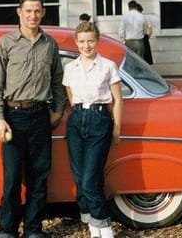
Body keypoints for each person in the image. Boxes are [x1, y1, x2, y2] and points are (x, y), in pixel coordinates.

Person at [0, 0, 66, 238]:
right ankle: (7, 230)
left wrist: (57, 111)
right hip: (13, 117)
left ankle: (33, 229)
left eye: (37, 11)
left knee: (39, 176)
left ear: (43, 13)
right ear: (19, 12)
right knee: (12, 178)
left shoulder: (50, 45)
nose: (33, 15)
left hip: (40, 116)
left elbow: (57, 82)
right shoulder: (5, 43)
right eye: (28, 11)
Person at [63, 21, 123, 238]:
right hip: (77, 120)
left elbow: (117, 99)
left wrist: (116, 128)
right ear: (76, 43)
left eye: (90, 41)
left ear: (97, 41)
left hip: (99, 120)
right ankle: (93, 227)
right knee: (80, 179)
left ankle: (106, 230)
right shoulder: (70, 68)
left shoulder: (108, 66)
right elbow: (71, 99)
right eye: (82, 41)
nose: (86, 46)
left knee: (90, 179)